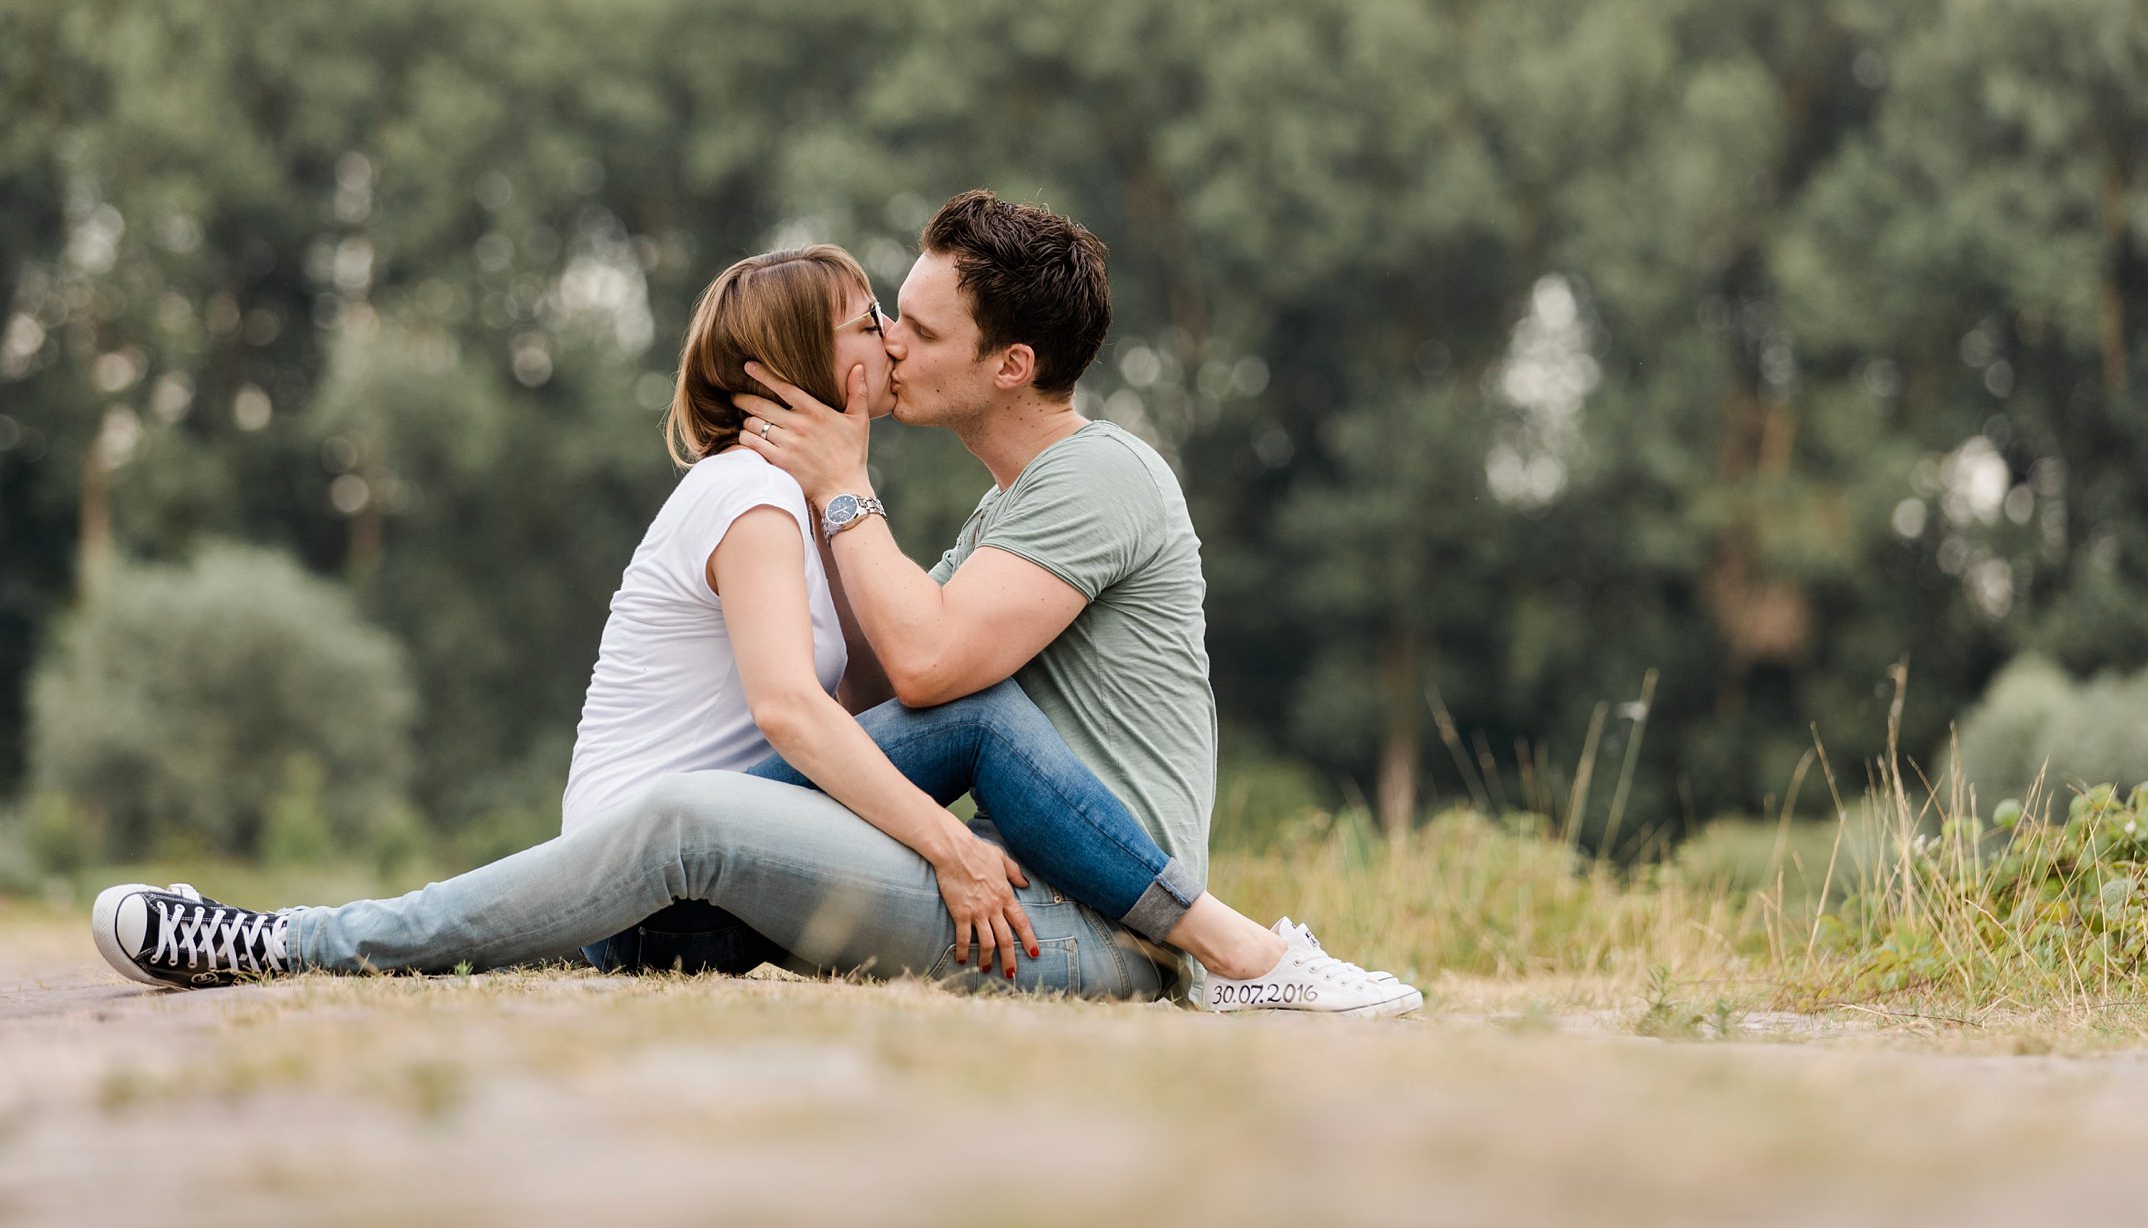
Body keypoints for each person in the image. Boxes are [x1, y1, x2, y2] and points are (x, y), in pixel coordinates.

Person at [90, 195, 1421, 1016]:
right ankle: (296, 938)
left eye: (912, 328)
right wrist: (951, 847)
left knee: (874, 741)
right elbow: (855, 704)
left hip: (1072, 908)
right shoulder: (798, 501)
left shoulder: (1076, 479)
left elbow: (913, 674)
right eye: (875, 320)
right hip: (859, 871)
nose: (892, 348)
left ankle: (1240, 954)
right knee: (761, 788)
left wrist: (847, 489)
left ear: (1011, 364)